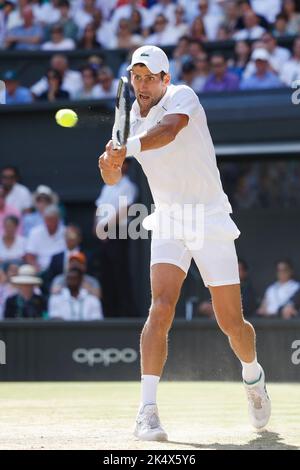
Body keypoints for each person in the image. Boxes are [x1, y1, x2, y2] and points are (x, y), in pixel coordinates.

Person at [98, 45, 271, 441]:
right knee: (160, 307)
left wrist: (129, 148)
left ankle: (252, 375)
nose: (142, 85)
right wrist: (109, 165)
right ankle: (147, 411)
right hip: (170, 220)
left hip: (209, 217)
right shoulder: (126, 121)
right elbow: (112, 178)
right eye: (136, 77)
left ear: (164, 79)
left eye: (149, 77)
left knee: (231, 323)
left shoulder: (183, 96)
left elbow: (168, 131)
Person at [95, 159, 137, 317]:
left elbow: (124, 210)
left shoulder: (129, 186)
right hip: (104, 235)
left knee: (120, 274)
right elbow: (98, 206)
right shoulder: (107, 186)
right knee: (107, 275)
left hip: (118, 233)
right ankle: (109, 312)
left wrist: (104, 228)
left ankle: (126, 313)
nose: (122, 166)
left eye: (125, 163)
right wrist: (98, 227)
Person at [25, 204, 66, 273]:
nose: (49, 223)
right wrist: (36, 267)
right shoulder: (35, 232)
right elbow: (30, 256)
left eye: (52, 220)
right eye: (47, 219)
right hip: (41, 270)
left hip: (61, 269)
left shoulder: (65, 232)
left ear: (58, 220)